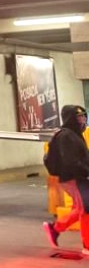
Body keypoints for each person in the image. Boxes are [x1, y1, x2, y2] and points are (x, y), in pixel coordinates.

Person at [43, 104, 89, 255]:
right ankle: (87, 245)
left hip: (79, 177)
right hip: (73, 178)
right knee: (86, 209)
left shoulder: (75, 134)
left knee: (80, 208)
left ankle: (55, 228)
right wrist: (86, 172)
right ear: (71, 119)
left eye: (83, 116)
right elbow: (71, 162)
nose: (82, 120)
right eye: (79, 117)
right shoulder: (66, 136)